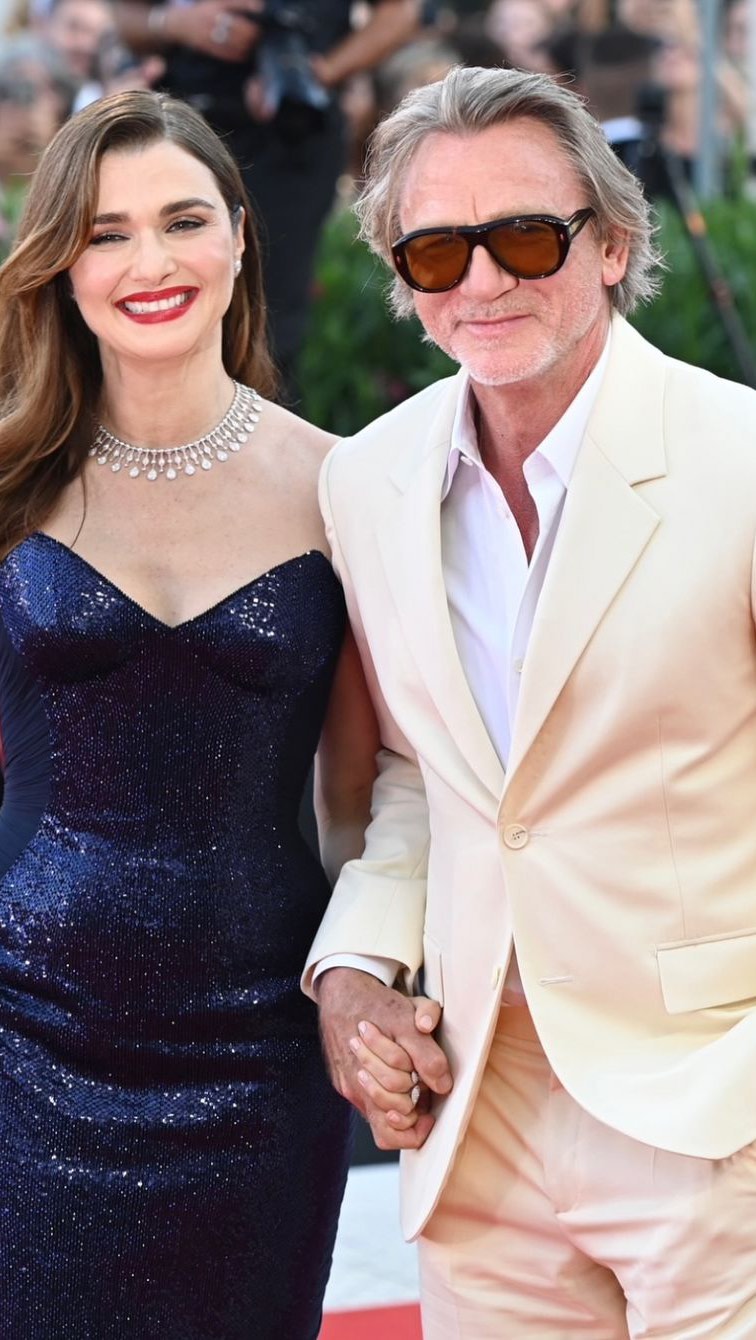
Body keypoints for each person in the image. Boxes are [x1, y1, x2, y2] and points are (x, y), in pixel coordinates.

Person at [304, 62, 756, 1338]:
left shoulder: (739, 459)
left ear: (611, 244)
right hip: (474, 1118)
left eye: (525, 236)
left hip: (711, 1107)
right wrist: (354, 965)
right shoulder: (369, 482)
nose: (484, 280)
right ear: (405, 280)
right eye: (438, 250)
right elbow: (420, 772)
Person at [0, 86, 378, 1338]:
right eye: (105, 232)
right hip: (23, 1032)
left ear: (240, 237)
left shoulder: (346, 487)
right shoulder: (11, 482)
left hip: (263, 1049)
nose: (148, 262)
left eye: (182, 220)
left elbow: (369, 794)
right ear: (62, 266)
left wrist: (370, 977)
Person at [113, 0, 421, 398]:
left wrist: (319, 71)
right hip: (181, 128)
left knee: (272, 325)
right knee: (167, 298)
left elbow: (400, 13)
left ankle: (262, 431)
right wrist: (175, 22)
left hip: (293, 135)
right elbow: (125, 17)